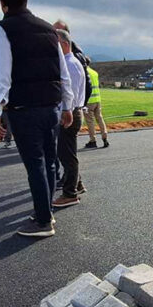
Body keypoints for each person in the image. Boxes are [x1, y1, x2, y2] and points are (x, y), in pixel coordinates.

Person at [0, 0, 73, 238]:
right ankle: (44, 211)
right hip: (51, 106)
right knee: (49, 162)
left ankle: (43, 221)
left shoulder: (3, 28)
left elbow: (3, 73)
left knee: (35, 164)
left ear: (3, 4)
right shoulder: (49, 29)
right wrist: (68, 105)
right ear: (26, 0)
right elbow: (63, 72)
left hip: (23, 107)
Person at [53, 26, 86, 209]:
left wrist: (64, 115)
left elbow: (70, 95)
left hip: (70, 114)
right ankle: (77, 183)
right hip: (71, 112)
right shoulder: (71, 62)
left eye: (56, 43)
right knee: (67, 154)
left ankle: (70, 193)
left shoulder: (70, 65)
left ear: (65, 44)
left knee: (67, 155)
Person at [83, 61, 109, 149]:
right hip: (97, 99)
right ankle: (105, 137)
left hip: (89, 101)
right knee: (100, 118)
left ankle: (92, 140)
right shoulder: (94, 72)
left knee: (90, 121)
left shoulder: (84, 72)